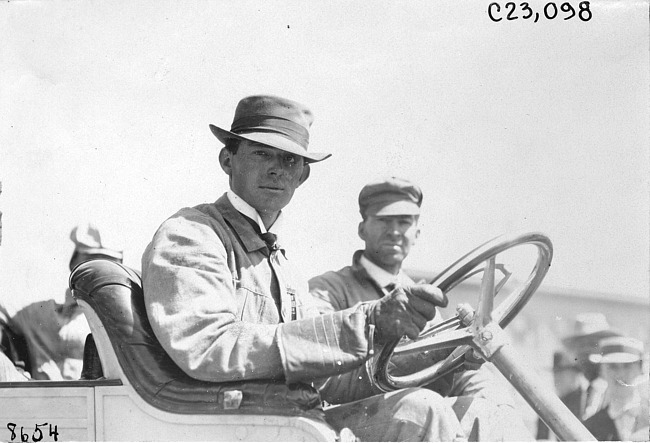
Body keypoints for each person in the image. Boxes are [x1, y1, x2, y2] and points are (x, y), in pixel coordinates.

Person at [141, 95, 466, 442]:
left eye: (290, 160)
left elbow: (329, 382)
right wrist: (366, 322)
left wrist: (440, 350)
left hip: (282, 424)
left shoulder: (285, 267)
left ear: (302, 176)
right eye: (261, 153)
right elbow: (207, 346)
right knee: (423, 412)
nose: (277, 168)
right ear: (227, 159)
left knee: (432, 409)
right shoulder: (193, 233)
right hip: (226, 428)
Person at [308, 177, 532, 441]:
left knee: (492, 409)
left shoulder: (425, 299)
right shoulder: (328, 290)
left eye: (404, 222)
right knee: (422, 409)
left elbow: (452, 371)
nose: (394, 231)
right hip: (345, 423)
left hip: (409, 419)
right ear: (362, 229)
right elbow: (323, 376)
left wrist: (492, 398)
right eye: (383, 220)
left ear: (417, 233)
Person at [0, 222, 123, 381]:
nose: (97, 274)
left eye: (108, 266)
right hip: (42, 401)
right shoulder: (40, 314)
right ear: (73, 263)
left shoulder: (122, 321)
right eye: (89, 262)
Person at [583, 336, 649, 441]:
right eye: (613, 366)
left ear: (640, 369)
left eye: (627, 366)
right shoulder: (588, 428)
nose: (621, 374)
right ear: (602, 371)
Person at [536, 350, 592, 440]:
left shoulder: (591, 400)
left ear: (576, 373)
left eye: (561, 372)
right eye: (555, 372)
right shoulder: (548, 406)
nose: (556, 377)